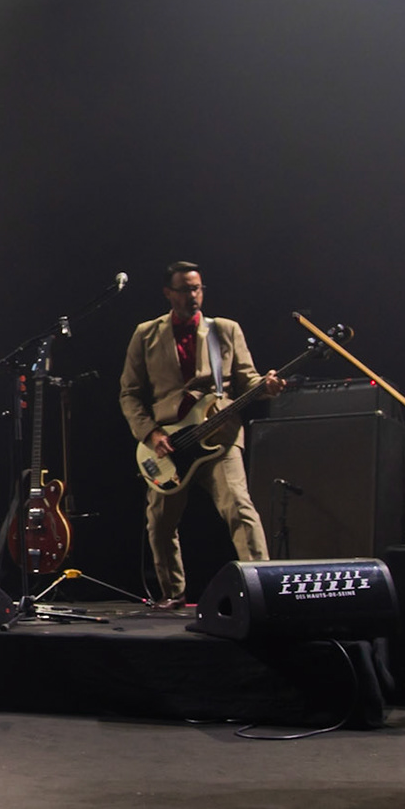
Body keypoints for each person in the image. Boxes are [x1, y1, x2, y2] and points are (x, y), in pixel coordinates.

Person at [119, 261, 283, 609]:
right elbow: (129, 393)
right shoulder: (146, 333)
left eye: (197, 288)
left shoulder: (224, 330)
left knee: (239, 508)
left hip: (219, 435)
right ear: (168, 293)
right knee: (160, 523)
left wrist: (265, 387)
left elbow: (247, 379)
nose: (193, 295)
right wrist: (150, 434)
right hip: (168, 444)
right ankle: (173, 593)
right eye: (185, 289)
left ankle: (262, 589)